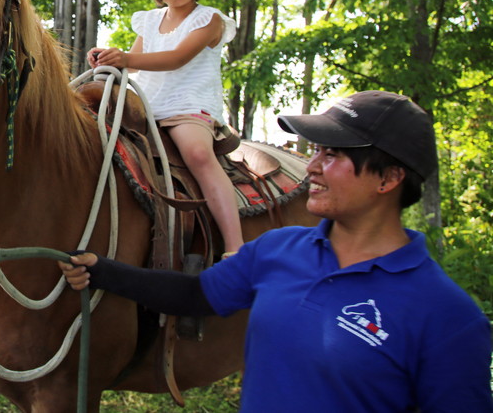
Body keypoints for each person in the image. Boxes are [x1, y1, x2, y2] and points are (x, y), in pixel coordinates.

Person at [59, 91, 493, 412]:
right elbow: (196, 296)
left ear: (389, 178)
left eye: (335, 154)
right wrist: (104, 271)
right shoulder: (277, 251)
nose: (313, 167)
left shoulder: (447, 318)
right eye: (318, 151)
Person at [87, 0, 243, 256]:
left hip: (188, 106)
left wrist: (126, 59)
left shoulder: (209, 20)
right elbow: (132, 66)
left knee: (198, 155)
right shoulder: (150, 20)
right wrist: (108, 62)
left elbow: (177, 58)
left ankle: (235, 246)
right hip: (147, 107)